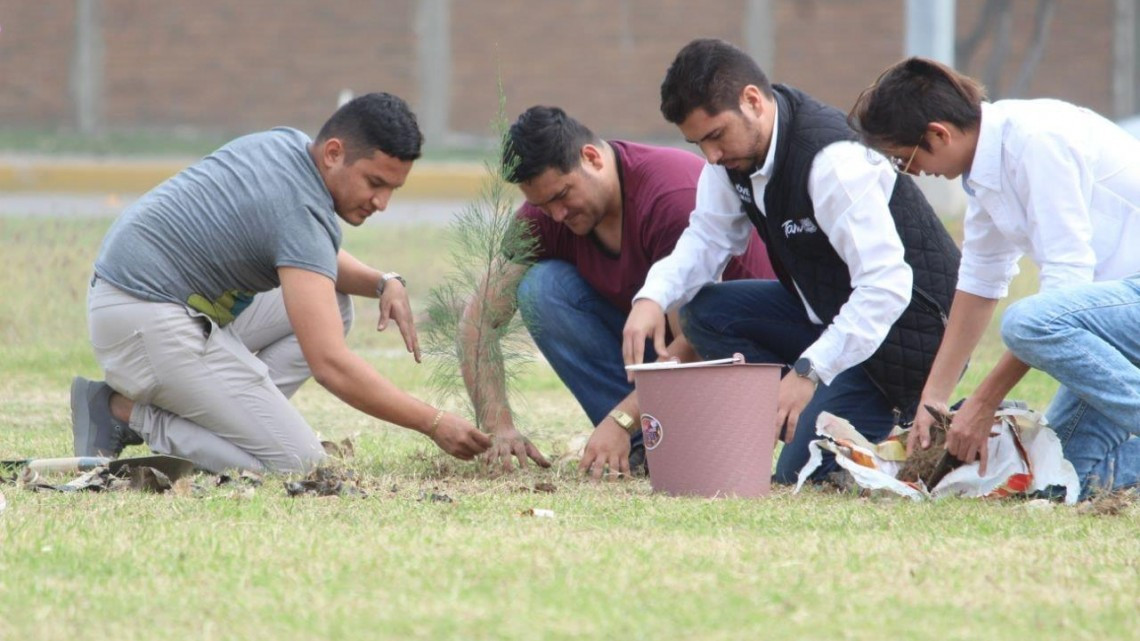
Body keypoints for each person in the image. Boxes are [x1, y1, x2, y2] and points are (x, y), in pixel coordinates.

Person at [71, 92, 491, 473]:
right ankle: (123, 412)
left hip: (139, 307)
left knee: (336, 304)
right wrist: (433, 423)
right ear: (333, 153)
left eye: (392, 189)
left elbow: (309, 257)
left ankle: (240, 425)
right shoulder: (300, 211)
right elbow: (330, 365)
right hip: (144, 322)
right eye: (374, 183)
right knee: (299, 466)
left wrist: (384, 283)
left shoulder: (287, 145)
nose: (382, 203)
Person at [622, 38, 962, 484]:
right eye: (698, 142)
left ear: (752, 101)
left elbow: (886, 287)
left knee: (798, 476)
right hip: (832, 320)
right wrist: (651, 297)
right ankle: (787, 417)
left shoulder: (833, 163)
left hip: (903, 342)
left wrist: (808, 371)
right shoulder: (732, 160)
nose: (711, 156)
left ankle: (920, 421)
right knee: (706, 313)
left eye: (716, 135)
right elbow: (706, 238)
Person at [849, 57, 1140, 497]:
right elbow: (981, 280)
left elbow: (1064, 295)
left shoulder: (1037, 141)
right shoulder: (985, 167)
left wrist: (983, 403)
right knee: (1056, 478)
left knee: (1027, 321)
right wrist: (935, 401)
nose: (908, 172)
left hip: (1126, 306)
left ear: (938, 134)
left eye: (902, 159)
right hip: (1113, 319)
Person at [458, 105, 775, 478]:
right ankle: (645, 447)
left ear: (591, 158)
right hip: (663, 365)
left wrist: (620, 420)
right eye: (543, 204)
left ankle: (651, 435)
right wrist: (500, 427)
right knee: (542, 288)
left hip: (739, 362)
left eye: (562, 195)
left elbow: (693, 341)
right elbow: (476, 325)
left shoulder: (670, 195)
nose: (557, 215)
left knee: (690, 317)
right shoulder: (544, 217)